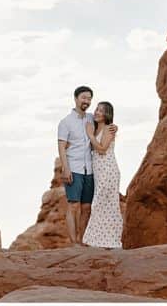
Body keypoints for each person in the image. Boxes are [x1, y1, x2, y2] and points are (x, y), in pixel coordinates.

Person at [56, 86, 116, 245]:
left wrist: (114, 127)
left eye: (89, 99)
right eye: (84, 98)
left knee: (87, 207)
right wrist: (65, 168)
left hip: (90, 169)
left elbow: (105, 125)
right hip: (74, 168)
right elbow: (61, 146)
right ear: (76, 98)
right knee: (74, 205)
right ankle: (74, 242)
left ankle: (83, 240)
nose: (87, 101)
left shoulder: (91, 118)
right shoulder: (65, 122)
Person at [82, 101, 123, 248]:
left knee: (103, 204)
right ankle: (102, 242)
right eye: (97, 109)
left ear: (107, 114)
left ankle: (108, 241)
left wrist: (90, 136)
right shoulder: (95, 127)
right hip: (99, 172)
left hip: (108, 170)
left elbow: (102, 149)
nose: (97, 112)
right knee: (103, 204)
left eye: (101, 110)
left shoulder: (108, 129)